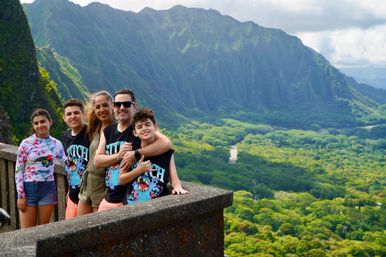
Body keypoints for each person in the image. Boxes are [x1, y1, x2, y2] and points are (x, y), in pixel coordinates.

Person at [94, 88, 172, 211]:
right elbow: (97, 161)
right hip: (109, 197)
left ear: (134, 106)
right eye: (118, 104)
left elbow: (166, 144)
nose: (122, 107)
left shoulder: (140, 129)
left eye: (126, 104)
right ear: (113, 107)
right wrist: (118, 156)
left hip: (129, 199)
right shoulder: (108, 131)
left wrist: (135, 154)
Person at [119, 108, 188, 204]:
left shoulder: (166, 152)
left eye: (147, 125)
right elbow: (121, 179)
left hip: (155, 208)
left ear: (155, 127)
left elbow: (174, 179)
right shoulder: (130, 150)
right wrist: (138, 171)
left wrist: (177, 187)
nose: (144, 129)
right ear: (135, 133)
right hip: (131, 206)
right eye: (139, 127)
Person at [15, 109, 66, 228]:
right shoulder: (26, 143)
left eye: (43, 121)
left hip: (48, 188)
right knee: (27, 232)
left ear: (50, 122)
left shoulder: (56, 144)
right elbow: (19, 169)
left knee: (42, 230)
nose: (40, 125)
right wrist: (20, 195)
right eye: (36, 123)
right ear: (33, 126)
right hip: (28, 189)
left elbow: (66, 162)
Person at [77, 91, 115, 216]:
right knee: (79, 224)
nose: (101, 110)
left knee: (96, 228)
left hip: (103, 183)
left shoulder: (118, 128)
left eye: (105, 105)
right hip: (88, 182)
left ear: (112, 105)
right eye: (98, 107)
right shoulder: (95, 127)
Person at [63, 99, 89, 219]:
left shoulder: (91, 132)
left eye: (76, 113)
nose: (72, 116)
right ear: (64, 118)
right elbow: (70, 165)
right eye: (69, 114)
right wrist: (69, 188)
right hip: (73, 194)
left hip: (87, 194)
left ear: (83, 114)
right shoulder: (67, 135)